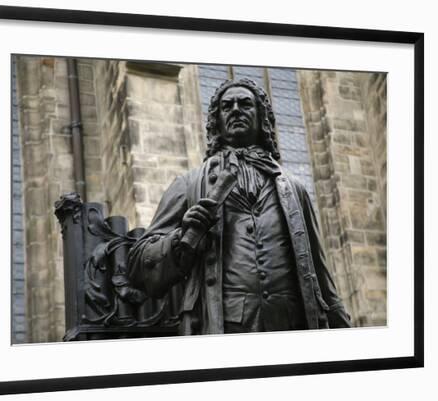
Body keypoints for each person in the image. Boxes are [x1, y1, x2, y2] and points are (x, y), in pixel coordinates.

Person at [127, 78, 352, 335]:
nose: (235, 109)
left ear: (262, 118)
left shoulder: (295, 189)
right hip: (223, 327)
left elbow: (321, 279)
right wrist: (181, 238)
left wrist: (344, 336)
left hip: (292, 328)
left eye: (245, 104)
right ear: (217, 122)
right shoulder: (189, 184)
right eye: (227, 106)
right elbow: (138, 266)